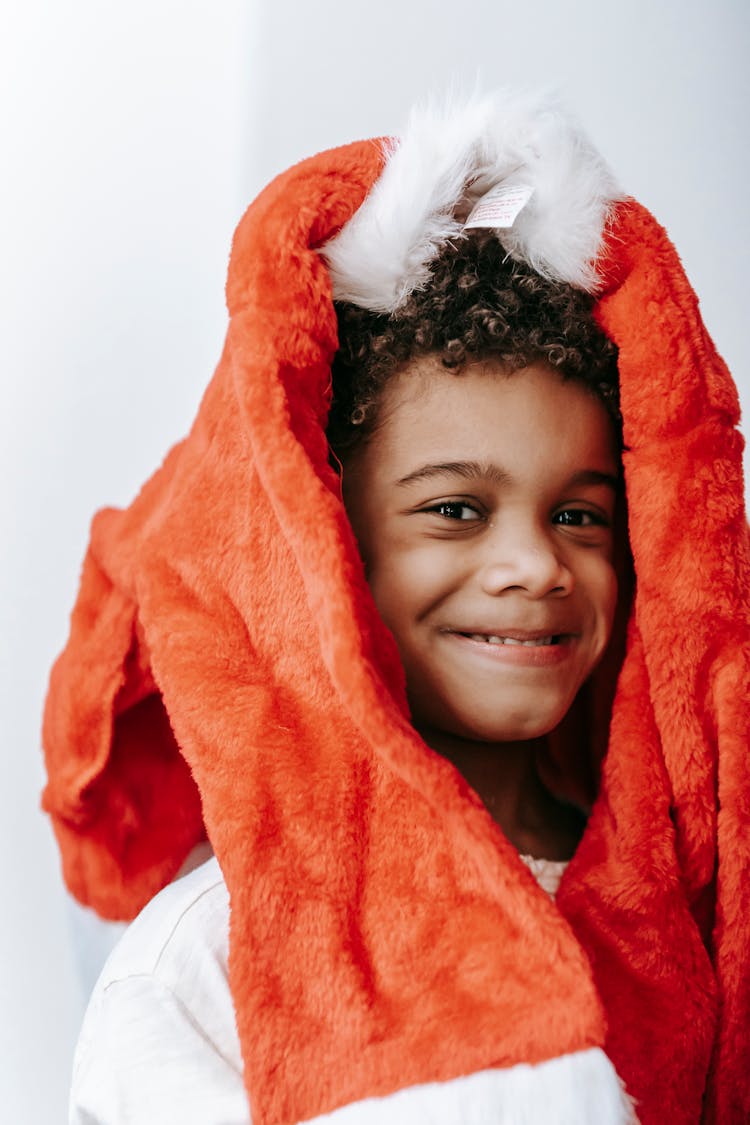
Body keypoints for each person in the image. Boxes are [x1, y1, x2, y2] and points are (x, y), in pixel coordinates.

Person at [44, 92, 749, 1124]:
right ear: (332, 549)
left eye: (582, 516)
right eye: (457, 510)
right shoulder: (210, 963)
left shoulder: (695, 925)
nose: (534, 565)